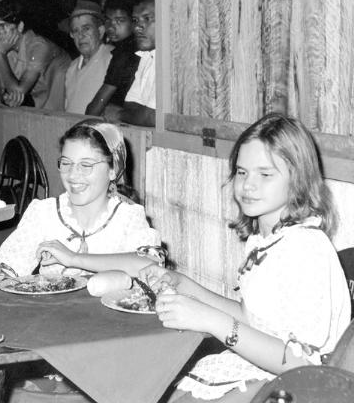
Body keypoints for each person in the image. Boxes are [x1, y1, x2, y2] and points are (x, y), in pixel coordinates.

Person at [139, 113, 350, 402]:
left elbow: (302, 364)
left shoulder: (306, 248)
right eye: (242, 172)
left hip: (304, 387)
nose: (249, 185)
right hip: (265, 369)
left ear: (298, 179)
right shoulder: (267, 239)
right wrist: (185, 285)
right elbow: (255, 319)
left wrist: (212, 321)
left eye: (265, 174)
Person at [0, 118, 161, 289]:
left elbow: (148, 264)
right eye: (66, 163)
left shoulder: (128, 216)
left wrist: (74, 259)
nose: (72, 175)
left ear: (113, 170)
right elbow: (12, 269)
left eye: (86, 165)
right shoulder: (44, 213)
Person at [0, 0, 70, 110]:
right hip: (40, 107)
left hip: (64, 109)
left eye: (3, 26)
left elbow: (18, 91)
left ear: (20, 26)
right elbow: (5, 92)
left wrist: (0, 54)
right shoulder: (5, 48)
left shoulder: (39, 46)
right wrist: (7, 96)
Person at [85, 0, 139, 119]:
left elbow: (95, 108)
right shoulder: (129, 48)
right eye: (108, 20)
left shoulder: (124, 53)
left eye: (119, 21)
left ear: (133, 22)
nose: (110, 26)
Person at [63, 0, 113, 115]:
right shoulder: (72, 67)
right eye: (75, 30)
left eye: (86, 28)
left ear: (100, 31)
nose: (81, 35)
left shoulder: (112, 58)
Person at [121, 0, 157, 127]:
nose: (137, 28)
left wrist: (117, 114)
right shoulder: (146, 57)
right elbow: (130, 105)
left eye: (147, 19)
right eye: (135, 20)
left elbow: (152, 118)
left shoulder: (172, 62)